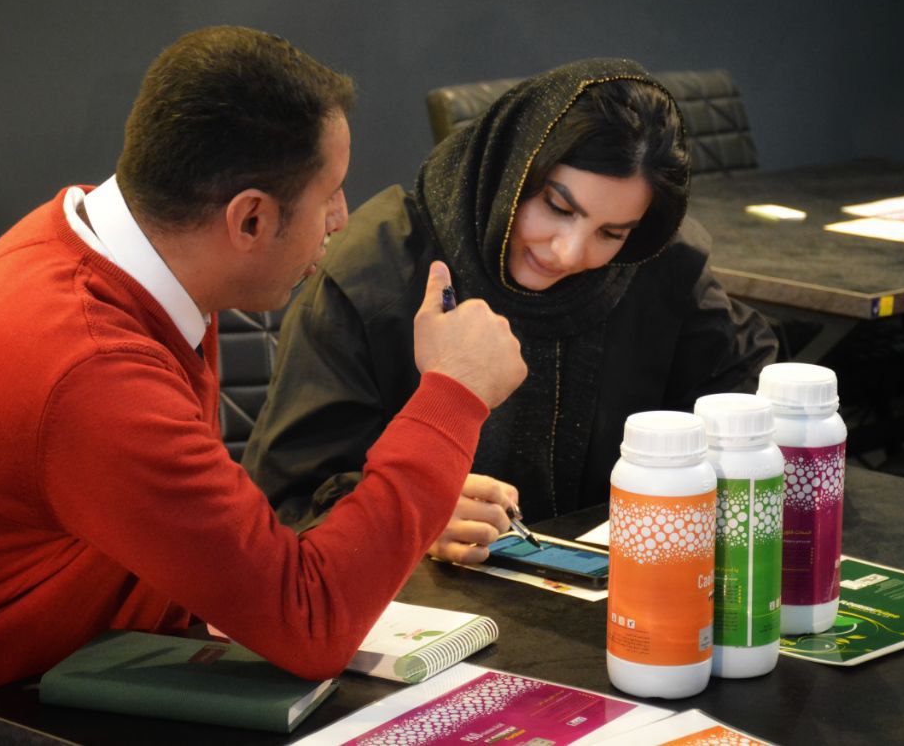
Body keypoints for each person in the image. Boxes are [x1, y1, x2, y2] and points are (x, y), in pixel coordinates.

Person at [0, 26, 527, 743]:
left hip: (18, 697)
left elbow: (213, 552)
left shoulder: (122, 256)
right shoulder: (92, 365)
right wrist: (452, 396)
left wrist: (390, 515)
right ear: (249, 221)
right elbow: (311, 621)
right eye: (329, 192)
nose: (341, 218)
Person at [243, 58, 778, 564]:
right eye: (558, 207)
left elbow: (749, 399)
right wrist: (405, 514)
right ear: (511, 168)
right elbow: (286, 502)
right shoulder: (377, 270)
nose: (568, 252)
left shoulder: (656, 263)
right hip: (418, 604)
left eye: (610, 233)